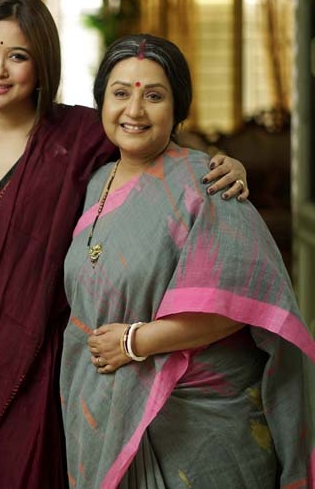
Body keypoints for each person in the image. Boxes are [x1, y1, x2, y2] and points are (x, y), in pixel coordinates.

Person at [0, 0, 249, 489]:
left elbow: (151, 143)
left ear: (43, 67)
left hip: (42, 366)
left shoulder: (77, 134)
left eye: (18, 56)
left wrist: (224, 163)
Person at [61, 33, 315, 487]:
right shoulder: (95, 180)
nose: (134, 110)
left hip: (200, 428)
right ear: (101, 103)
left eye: (154, 96)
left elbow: (244, 303)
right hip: (107, 412)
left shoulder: (208, 182)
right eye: (120, 93)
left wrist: (134, 342)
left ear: (179, 108)